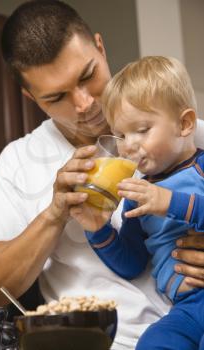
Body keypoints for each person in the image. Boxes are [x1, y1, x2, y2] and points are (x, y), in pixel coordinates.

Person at [0, 1, 204, 349]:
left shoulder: (183, 131)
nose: (84, 104)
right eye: (56, 97)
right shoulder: (17, 163)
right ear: (31, 97)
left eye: (87, 76)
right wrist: (55, 215)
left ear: (100, 47)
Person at [70, 55, 204, 349]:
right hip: (186, 308)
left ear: (184, 124)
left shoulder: (201, 168)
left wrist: (169, 202)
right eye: (120, 134)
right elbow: (133, 262)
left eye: (142, 130)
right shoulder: (136, 194)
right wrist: (99, 229)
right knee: (153, 342)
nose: (128, 145)